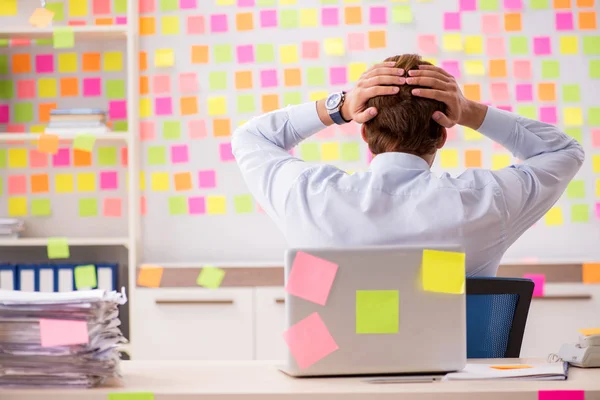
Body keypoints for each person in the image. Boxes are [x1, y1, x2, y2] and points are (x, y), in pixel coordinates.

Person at [231, 54, 584, 276]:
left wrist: (337, 106)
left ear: (364, 130)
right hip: (455, 390)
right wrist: (470, 112)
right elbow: (565, 151)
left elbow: (251, 138)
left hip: (339, 388)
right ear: (443, 135)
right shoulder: (486, 201)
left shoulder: (310, 195)